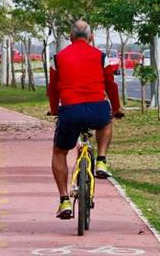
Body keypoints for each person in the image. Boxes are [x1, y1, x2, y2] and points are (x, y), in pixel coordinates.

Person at [47, 20, 123, 219]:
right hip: (97, 109)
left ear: (70, 38)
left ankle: (64, 200)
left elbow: (53, 88)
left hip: (70, 112)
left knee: (59, 152)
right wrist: (116, 108)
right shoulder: (101, 57)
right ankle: (101, 161)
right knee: (106, 121)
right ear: (91, 37)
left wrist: (54, 109)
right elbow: (110, 85)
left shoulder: (58, 58)